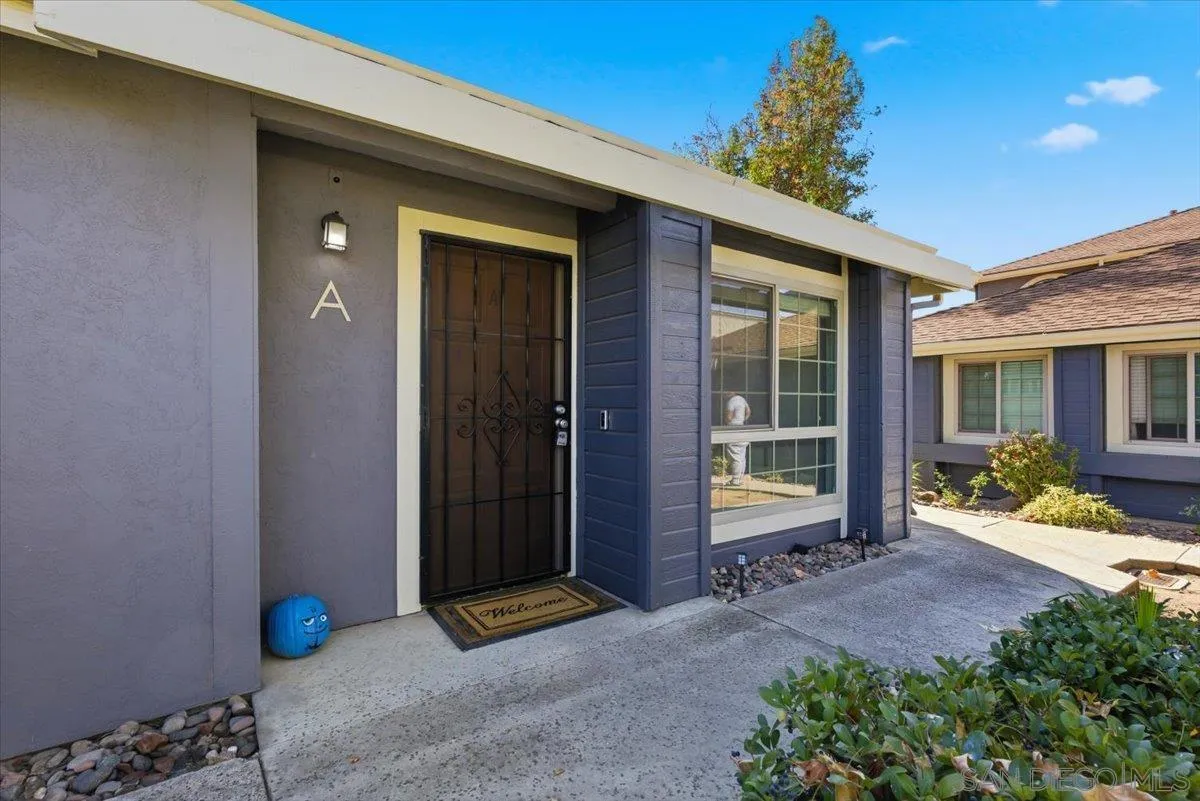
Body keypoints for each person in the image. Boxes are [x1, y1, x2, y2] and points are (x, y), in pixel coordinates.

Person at [724, 393, 751, 486]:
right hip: (742, 428)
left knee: (735, 455)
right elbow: (748, 412)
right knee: (741, 456)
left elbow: (729, 417)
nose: (724, 394)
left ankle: (735, 480)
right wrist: (742, 420)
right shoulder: (742, 399)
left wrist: (729, 423)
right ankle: (739, 479)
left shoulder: (731, 401)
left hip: (733, 429)